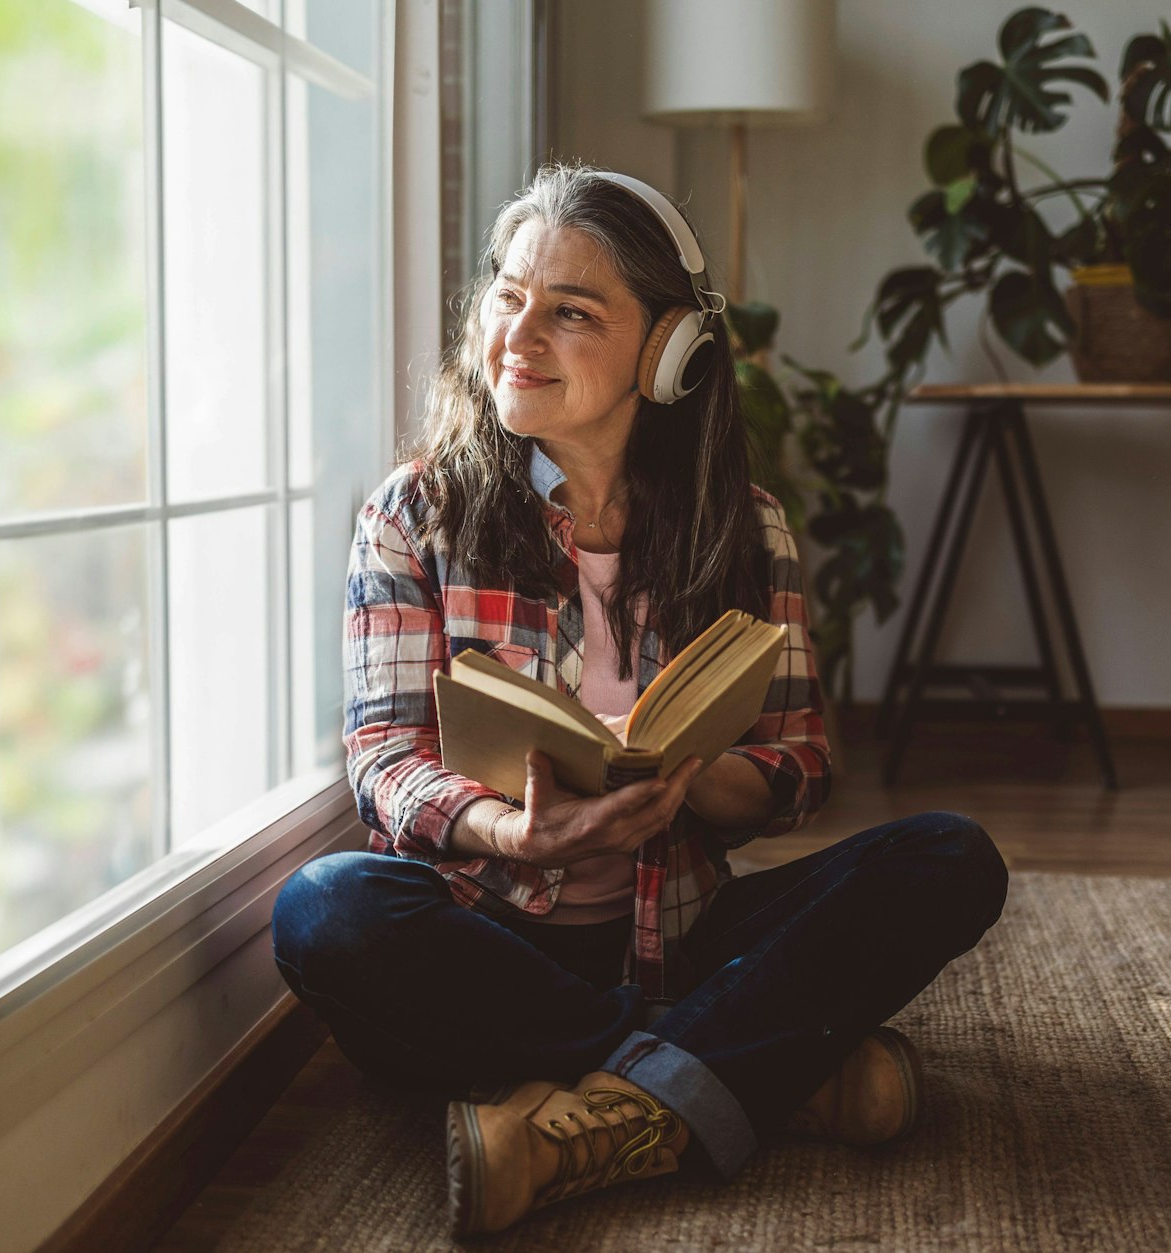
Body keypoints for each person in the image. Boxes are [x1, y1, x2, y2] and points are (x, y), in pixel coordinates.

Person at [269, 163, 1009, 1237]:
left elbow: (798, 763)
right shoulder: (413, 512)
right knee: (325, 909)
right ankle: (752, 1065)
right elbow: (385, 763)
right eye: (507, 295)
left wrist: (700, 781)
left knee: (949, 856)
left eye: (570, 311)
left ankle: (591, 1101)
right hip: (485, 941)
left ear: (666, 354)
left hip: (688, 926)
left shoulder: (747, 530)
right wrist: (509, 829)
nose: (519, 333)